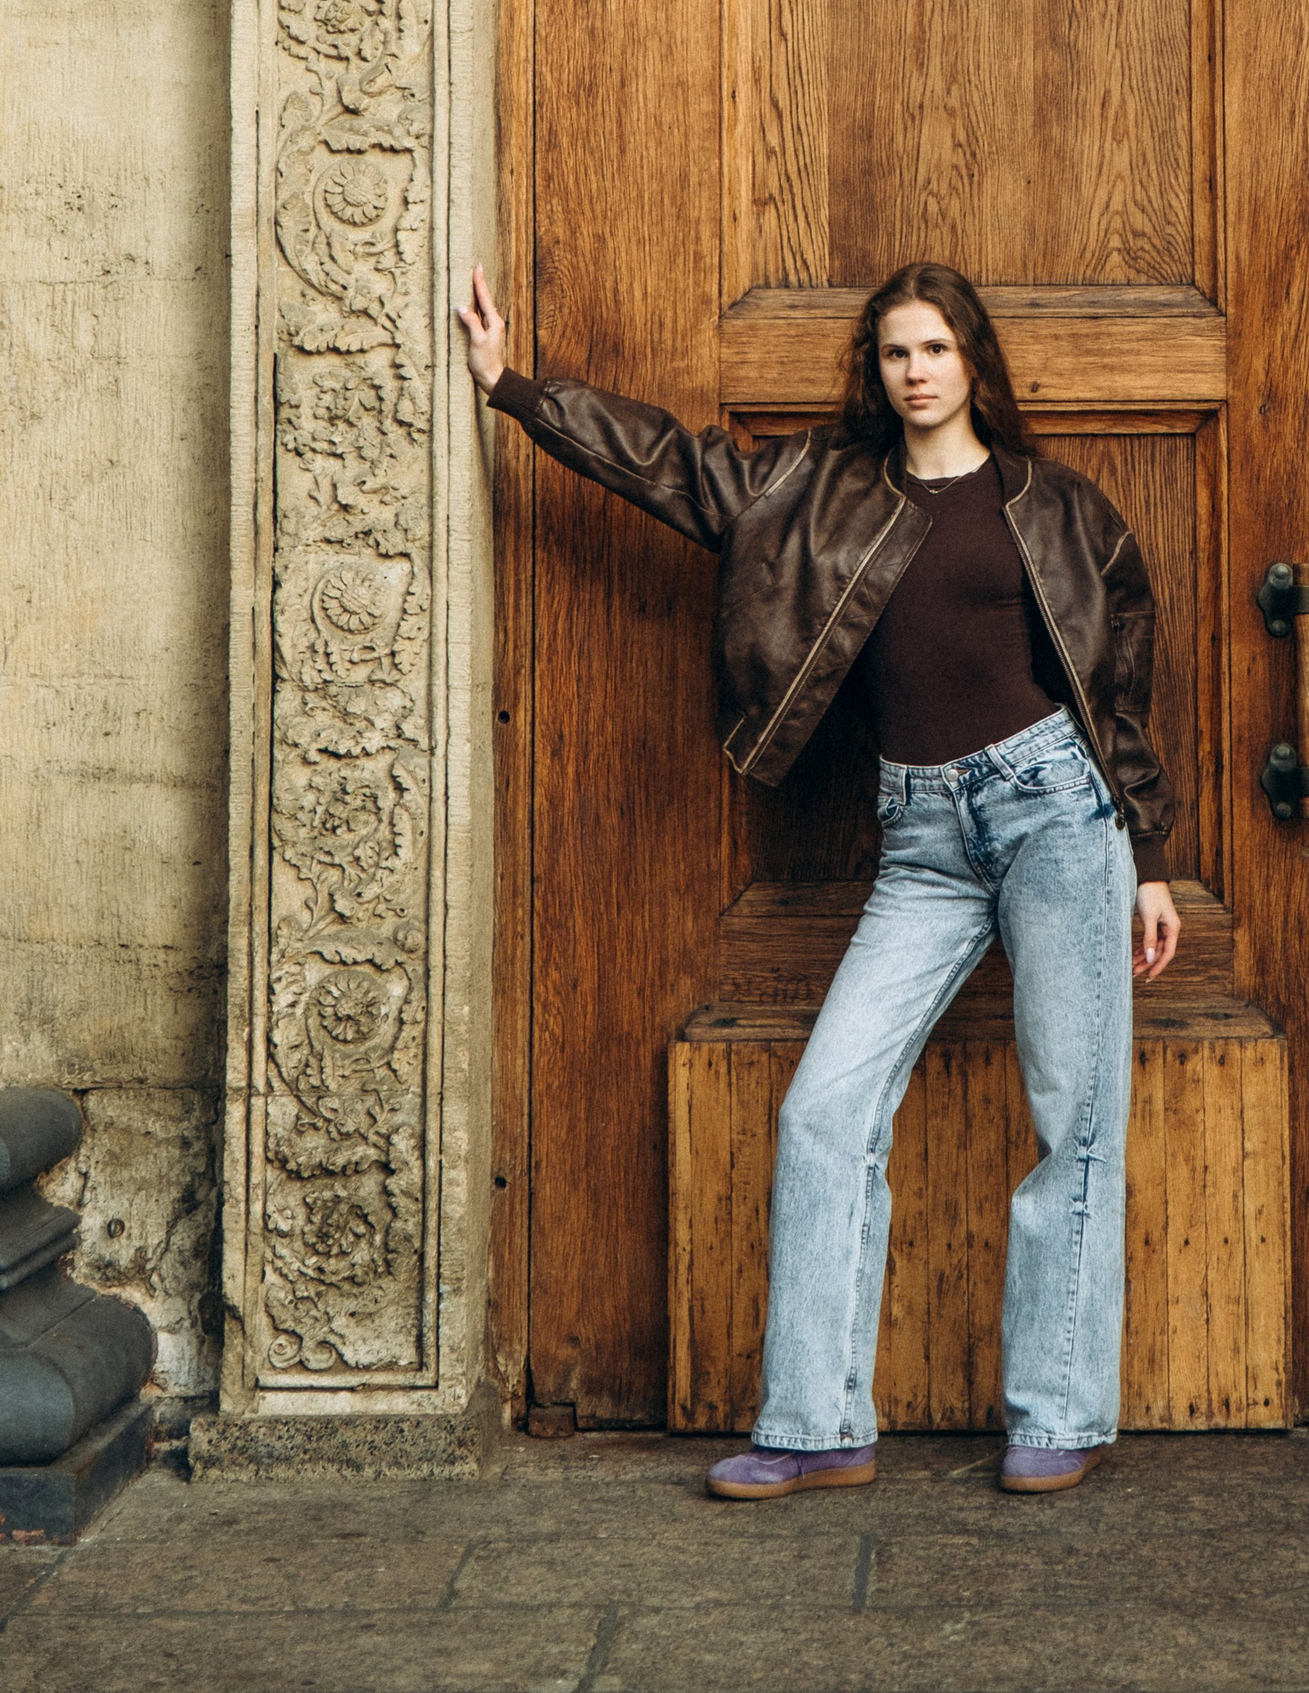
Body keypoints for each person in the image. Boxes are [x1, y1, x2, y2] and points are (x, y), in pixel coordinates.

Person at [459, 257, 1180, 1497]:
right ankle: (816, 1422)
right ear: (876, 370)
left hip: (1059, 813)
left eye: (936, 349)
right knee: (823, 1113)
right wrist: (514, 388)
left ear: (974, 361)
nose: (916, 372)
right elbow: (675, 468)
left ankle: (1061, 1411)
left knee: (1075, 1120)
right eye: (896, 353)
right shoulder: (818, 489)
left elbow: (1116, 690)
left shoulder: (1061, 506)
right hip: (920, 836)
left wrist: (1150, 859)